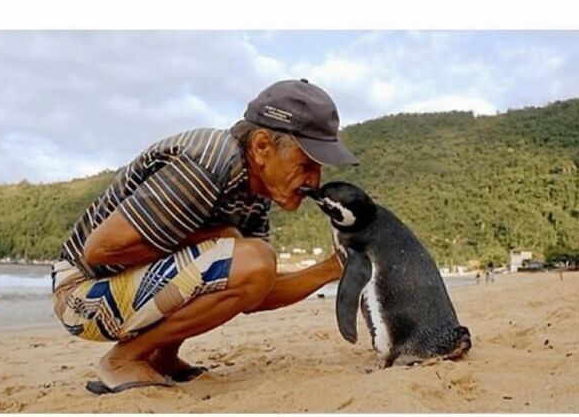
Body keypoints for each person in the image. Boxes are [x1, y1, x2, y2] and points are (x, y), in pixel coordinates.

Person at [51, 78, 358, 393]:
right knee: (246, 253)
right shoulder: (208, 161)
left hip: (120, 289)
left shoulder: (254, 194)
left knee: (249, 258)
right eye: (306, 164)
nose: (315, 181)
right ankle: (124, 359)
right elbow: (99, 251)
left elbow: (253, 289)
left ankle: (162, 357)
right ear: (262, 146)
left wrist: (333, 268)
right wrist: (217, 237)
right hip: (80, 294)